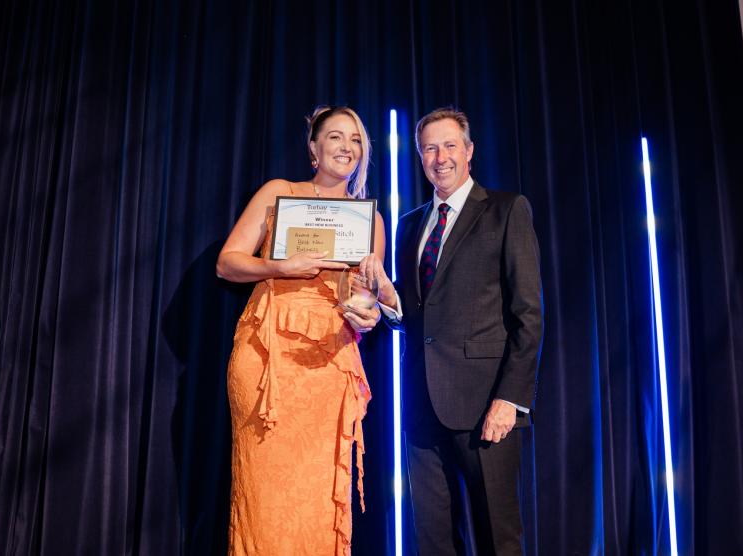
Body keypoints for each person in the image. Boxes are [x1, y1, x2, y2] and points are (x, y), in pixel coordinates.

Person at [361, 107, 543, 555]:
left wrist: (510, 399)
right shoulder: (409, 225)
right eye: (429, 148)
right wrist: (388, 297)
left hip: (486, 407)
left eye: (449, 145)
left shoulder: (506, 210)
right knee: (433, 540)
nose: (440, 157)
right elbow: (417, 314)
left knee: (497, 538)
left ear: (469, 150)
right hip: (422, 405)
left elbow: (528, 315)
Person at [217, 106, 384, 555]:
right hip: (268, 363)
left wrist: (368, 314)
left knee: (317, 499)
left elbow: (364, 297)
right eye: (335, 137)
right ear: (314, 147)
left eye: (355, 139)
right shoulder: (280, 192)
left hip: (328, 367)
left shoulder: (369, 220)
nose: (346, 147)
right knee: (264, 495)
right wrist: (279, 266)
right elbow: (227, 262)